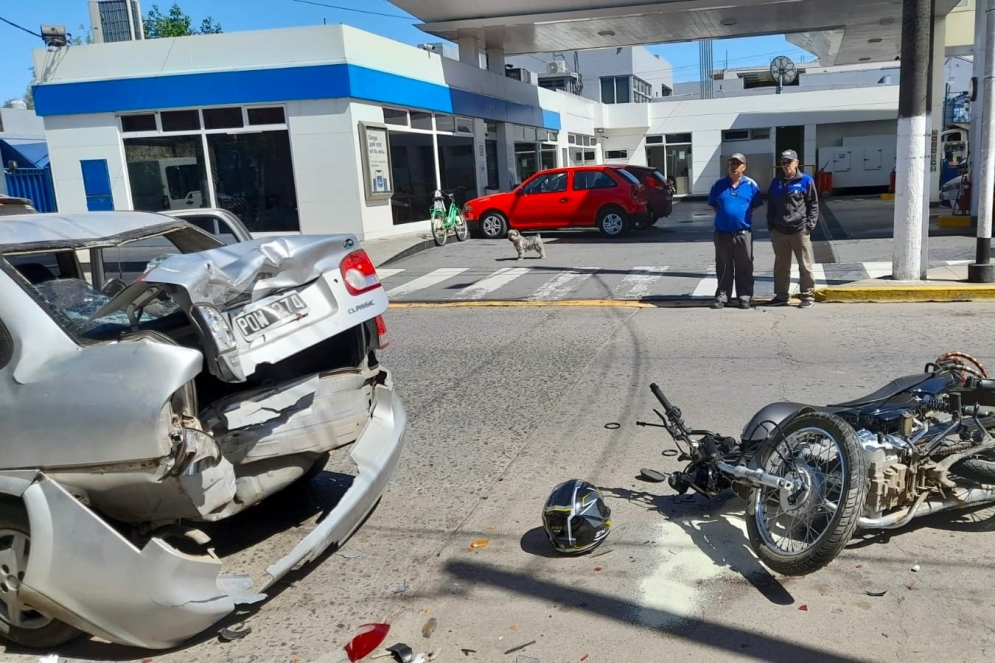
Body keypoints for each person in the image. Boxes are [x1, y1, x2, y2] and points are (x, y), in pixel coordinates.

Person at [707, 153, 763, 309]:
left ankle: (744, 297)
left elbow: (755, 206)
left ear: (744, 167)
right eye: (731, 163)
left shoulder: (751, 185)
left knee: (744, 266)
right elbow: (713, 206)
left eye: (737, 164)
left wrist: (740, 216)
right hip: (722, 233)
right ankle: (722, 297)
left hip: (742, 233)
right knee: (723, 266)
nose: (734, 166)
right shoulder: (718, 185)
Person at [767, 149, 820, 309]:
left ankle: (807, 295)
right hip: (780, 231)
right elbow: (771, 206)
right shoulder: (776, 183)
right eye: (783, 162)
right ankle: (782, 295)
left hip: (799, 231)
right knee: (781, 266)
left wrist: (809, 226)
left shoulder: (806, 180)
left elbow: (814, 204)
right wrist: (771, 226)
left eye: (789, 162)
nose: (786, 165)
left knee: (805, 265)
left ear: (796, 163)